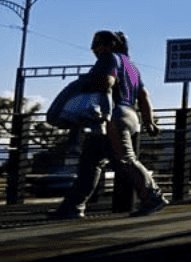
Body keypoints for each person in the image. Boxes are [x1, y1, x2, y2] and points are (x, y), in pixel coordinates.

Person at [49, 31, 168, 219]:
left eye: (97, 44)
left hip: (113, 115)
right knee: (90, 163)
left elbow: (107, 82)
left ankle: (153, 197)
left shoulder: (108, 59)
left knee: (125, 159)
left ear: (110, 45)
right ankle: (71, 208)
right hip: (130, 115)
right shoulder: (132, 67)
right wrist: (149, 122)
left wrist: (90, 94)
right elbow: (144, 96)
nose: (93, 49)